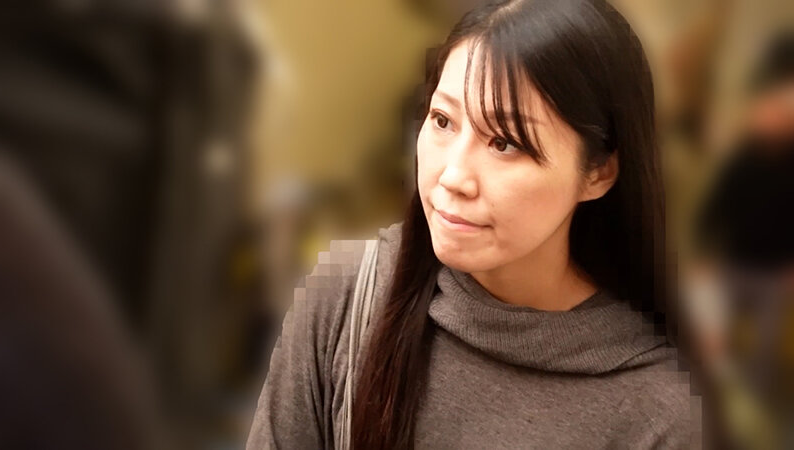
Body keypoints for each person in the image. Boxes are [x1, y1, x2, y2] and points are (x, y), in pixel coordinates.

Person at [247, 0, 696, 448]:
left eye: (504, 143)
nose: (453, 176)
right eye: (442, 121)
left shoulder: (658, 414)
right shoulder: (349, 298)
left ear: (597, 172)